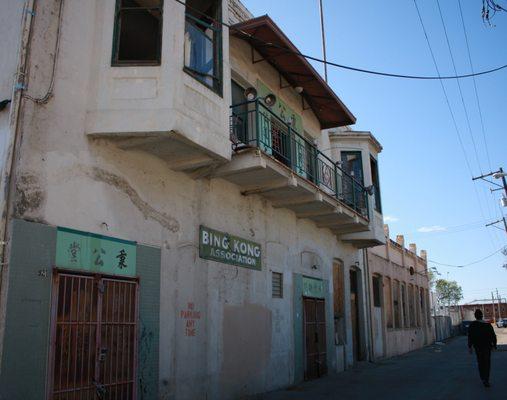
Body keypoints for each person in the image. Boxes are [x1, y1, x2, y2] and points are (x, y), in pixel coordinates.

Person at [467, 309, 497, 387]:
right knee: (487, 363)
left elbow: (470, 337)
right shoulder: (487, 325)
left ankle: (483, 377)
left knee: (480, 362)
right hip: (487, 347)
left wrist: (470, 347)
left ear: (475, 316)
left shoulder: (472, 325)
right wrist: (494, 345)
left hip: (478, 347)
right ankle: (486, 379)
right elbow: (493, 335)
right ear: (482, 315)